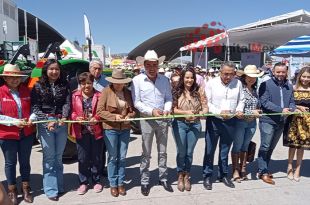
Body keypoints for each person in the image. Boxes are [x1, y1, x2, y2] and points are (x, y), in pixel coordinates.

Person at [132, 50, 173, 196]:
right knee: (146, 152)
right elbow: (136, 102)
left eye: (154, 64)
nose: (151, 67)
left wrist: (167, 109)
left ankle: (163, 178)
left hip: (162, 119)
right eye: (148, 64)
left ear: (158, 65)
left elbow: (168, 98)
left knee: (163, 151)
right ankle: (144, 181)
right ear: (144, 65)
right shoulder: (137, 80)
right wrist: (151, 111)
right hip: (147, 120)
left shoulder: (164, 80)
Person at [31, 59, 71, 201]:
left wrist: (64, 116)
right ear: (46, 70)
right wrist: (47, 121)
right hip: (45, 124)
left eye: (57, 69)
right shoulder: (37, 86)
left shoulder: (65, 84)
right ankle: (50, 189)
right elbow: (35, 108)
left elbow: (67, 102)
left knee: (58, 157)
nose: (54, 72)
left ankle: (59, 186)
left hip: (61, 123)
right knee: (49, 158)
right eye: (51, 69)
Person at [202, 62, 244, 190]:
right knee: (210, 150)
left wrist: (239, 109)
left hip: (231, 121)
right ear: (220, 72)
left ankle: (223, 174)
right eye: (226, 74)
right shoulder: (211, 83)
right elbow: (207, 102)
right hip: (215, 120)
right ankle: (207, 175)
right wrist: (219, 112)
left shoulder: (238, 83)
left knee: (225, 150)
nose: (228, 77)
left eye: (231, 74)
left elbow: (241, 100)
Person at [97, 68, 135, 197]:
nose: (119, 84)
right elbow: (100, 111)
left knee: (122, 157)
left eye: (122, 82)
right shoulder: (106, 91)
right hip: (110, 128)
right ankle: (113, 183)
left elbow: (133, 110)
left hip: (125, 128)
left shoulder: (128, 93)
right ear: (112, 82)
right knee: (113, 157)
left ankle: (121, 182)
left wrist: (130, 115)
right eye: (116, 82)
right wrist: (114, 117)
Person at [0, 64, 34, 205]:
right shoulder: (0, 92)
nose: (15, 80)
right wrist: (15, 122)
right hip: (7, 134)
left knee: (25, 162)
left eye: (17, 77)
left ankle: (26, 188)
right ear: (6, 78)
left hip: (26, 133)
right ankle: (12, 190)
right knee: (10, 163)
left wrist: (31, 119)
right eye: (11, 77)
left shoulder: (26, 91)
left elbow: (34, 109)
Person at [257, 62, 296, 185]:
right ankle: (262, 171)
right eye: (278, 72)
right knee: (265, 146)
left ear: (286, 72)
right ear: (273, 72)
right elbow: (264, 102)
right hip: (268, 120)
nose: (280, 74)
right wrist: (281, 110)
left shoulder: (289, 86)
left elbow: (292, 101)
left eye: (283, 72)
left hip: (281, 121)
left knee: (271, 147)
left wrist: (291, 109)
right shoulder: (265, 84)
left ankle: (264, 168)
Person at [172, 67, 208, 192]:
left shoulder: (199, 90)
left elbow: (205, 106)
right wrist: (185, 113)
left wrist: (202, 113)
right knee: (181, 151)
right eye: (187, 77)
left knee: (189, 152)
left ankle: (187, 174)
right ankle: (180, 174)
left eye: (191, 77)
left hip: (195, 125)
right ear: (182, 78)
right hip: (180, 124)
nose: (189, 80)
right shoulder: (177, 90)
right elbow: (173, 109)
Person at [70, 72, 104, 195]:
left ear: (93, 83)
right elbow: (71, 111)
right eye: (83, 83)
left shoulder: (99, 95)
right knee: (82, 158)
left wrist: (97, 117)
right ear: (80, 84)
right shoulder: (74, 96)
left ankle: (96, 181)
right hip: (81, 131)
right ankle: (83, 182)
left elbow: (102, 111)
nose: (86, 86)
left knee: (96, 157)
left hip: (96, 131)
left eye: (89, 83)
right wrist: (76, 117)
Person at [231, 65, 263, 182]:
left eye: (254, 77)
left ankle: (243, 168)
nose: (251, 79)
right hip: (240, 121)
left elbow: (257, 106)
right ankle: (235, 170)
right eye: (249, 76)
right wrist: (252, 112)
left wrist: (258, 111)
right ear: (244, 77)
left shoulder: (255, 91)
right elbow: (236, 108)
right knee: (237, 146)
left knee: (245, 146)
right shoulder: (240, 89)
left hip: (252, 122)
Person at [283, 66, 310, 182]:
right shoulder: (293, 88)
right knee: (292, 146)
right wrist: (298, 107)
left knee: (301, 147)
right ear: (299, 76)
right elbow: (288, 103)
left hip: (307, 123)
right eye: (304, 76)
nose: (306, 79)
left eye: (308, 77)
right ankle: (289, 166)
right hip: (293, 121)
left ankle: (298, 168)